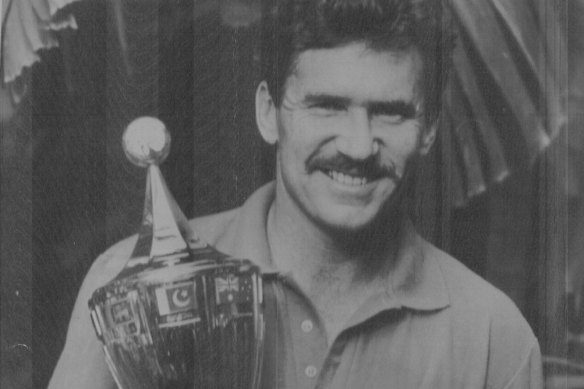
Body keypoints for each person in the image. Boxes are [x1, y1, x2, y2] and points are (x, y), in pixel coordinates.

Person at [49, 0, 543, 387]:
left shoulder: (493, 338)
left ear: (430, 128)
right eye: (326, 106)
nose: (357, 145)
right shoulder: (129, 286)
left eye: (391, 112)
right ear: (268, 112)